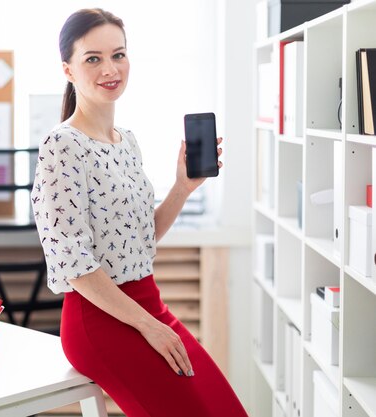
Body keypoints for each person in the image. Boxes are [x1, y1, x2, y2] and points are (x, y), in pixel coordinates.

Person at [30, 8, 248, 417]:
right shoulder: (62, 146)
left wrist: (182, 187)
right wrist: (147, 326)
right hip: (100, 319)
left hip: (146, 305)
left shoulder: (126, 141)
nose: (110, 68)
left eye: (119, 54)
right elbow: (74, 262)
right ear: (68, 69)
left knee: (226, 409)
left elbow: (140, 238)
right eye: (92, 58)